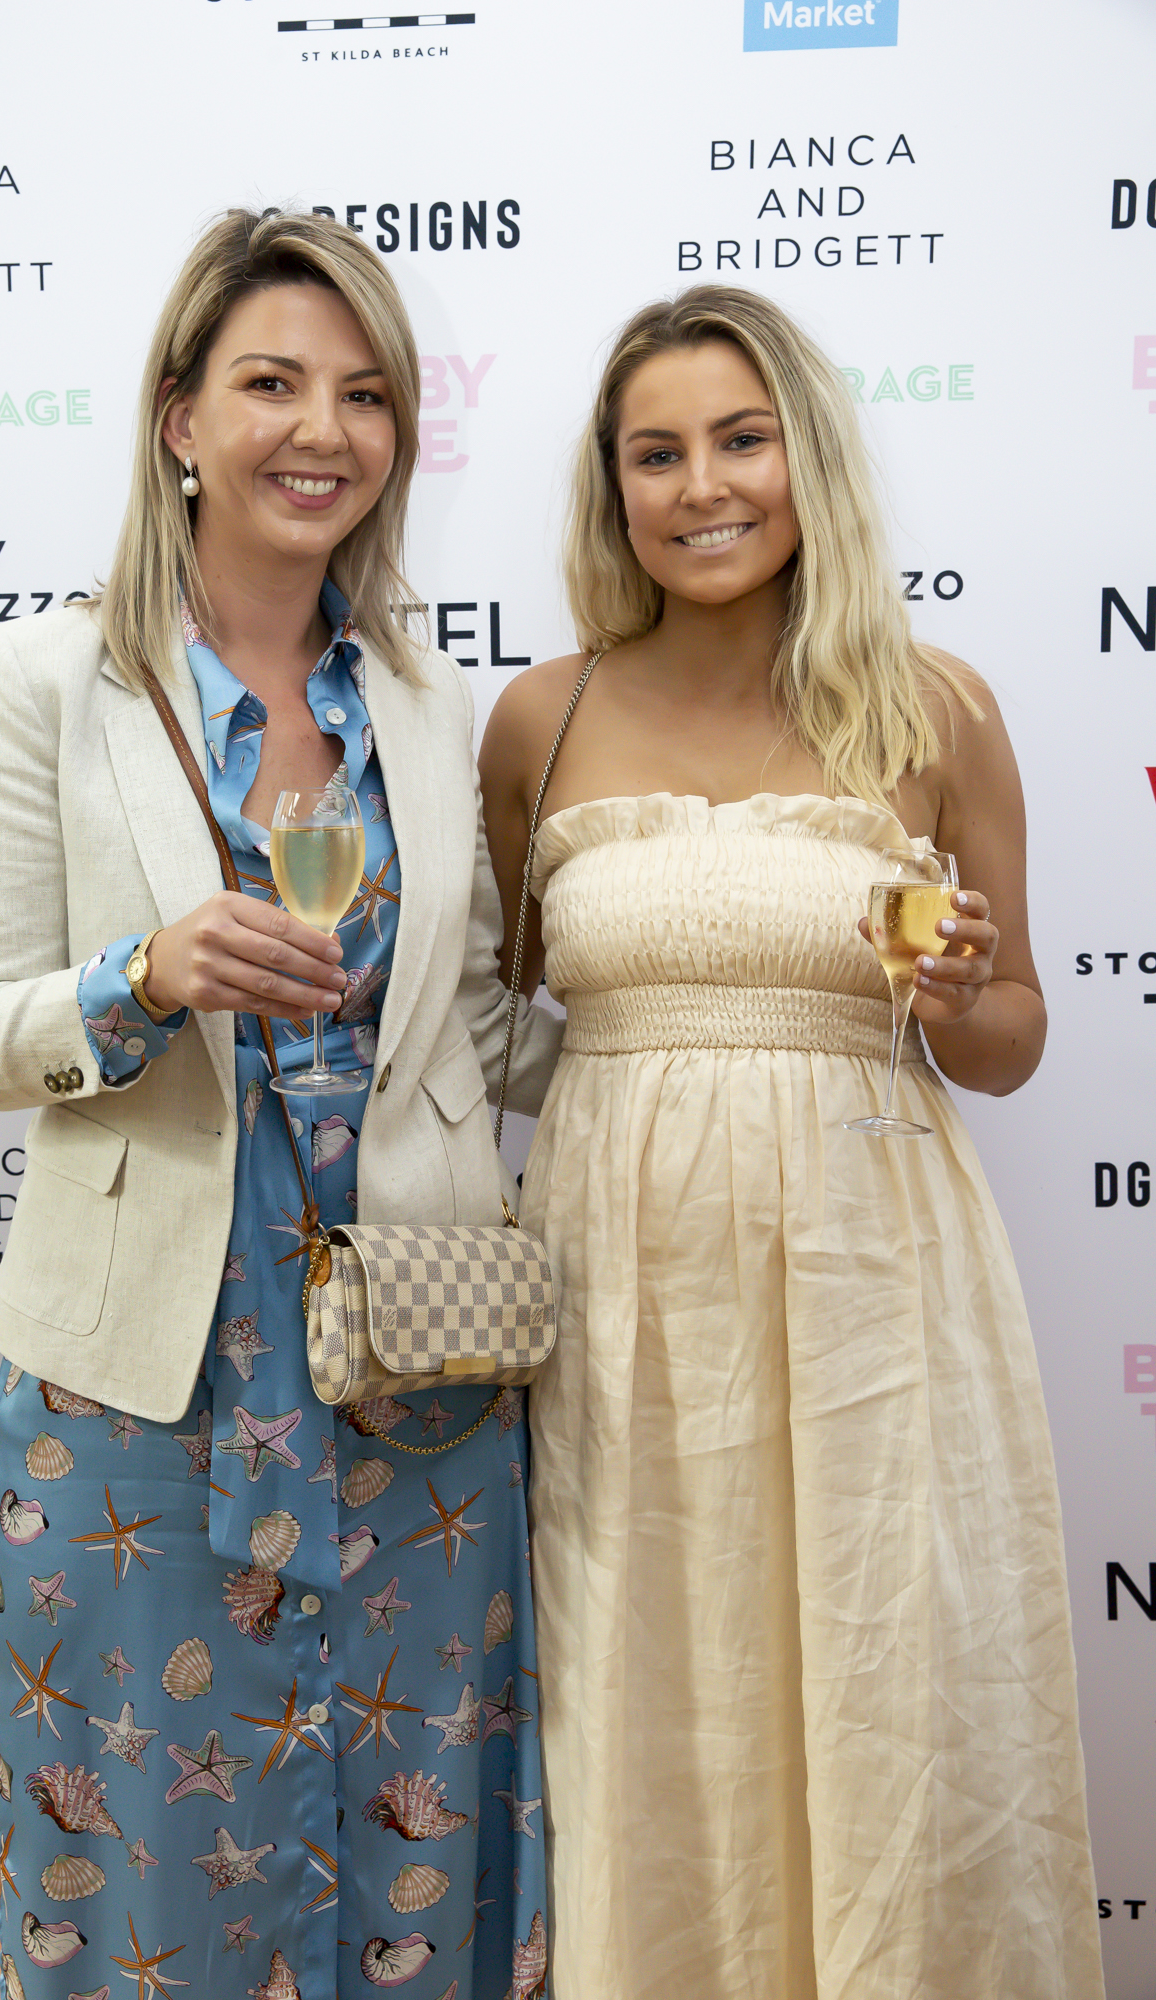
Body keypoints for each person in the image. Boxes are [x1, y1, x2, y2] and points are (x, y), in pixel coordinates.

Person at [0, 208, 560, 2000]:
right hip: (145, 1392)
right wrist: (143, 977)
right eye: (271, 383)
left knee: (414, 1850)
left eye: (365, 394)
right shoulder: (48, 683)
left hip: (415, 1381)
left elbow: (477, 1023)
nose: (321, 431)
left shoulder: (425, 703)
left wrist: (719, 1036)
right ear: (180, 420)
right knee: (129, 1851)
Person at [478, 285, 1103, 2000]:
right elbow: (486, 1027)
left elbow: (1011, 1041)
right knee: (643, 1689)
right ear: (611, 487)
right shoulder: (539, 719)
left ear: (806, 457)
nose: (701, 486)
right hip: (619, 1305)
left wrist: (959, 991)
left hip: (868, 1293)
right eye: (655, 453)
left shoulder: (934, 707)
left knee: (887, 1680)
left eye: (740, 440)